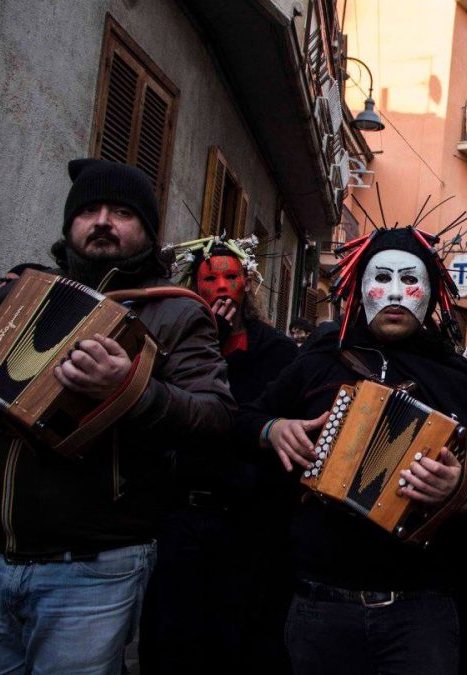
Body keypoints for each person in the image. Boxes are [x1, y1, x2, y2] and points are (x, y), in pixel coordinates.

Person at [0, 158, 234, 673]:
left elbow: (216, 419)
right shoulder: (19, 292)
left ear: (149, 231)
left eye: (121, 212)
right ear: (70, 224)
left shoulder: (176, 311)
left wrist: (130, 389)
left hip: (92, 569)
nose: (103, 222)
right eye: (89, 210)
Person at [236, 225, 467, 675]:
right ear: (360, 288)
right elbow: (239, 422)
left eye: (409, 280)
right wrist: (272, 429)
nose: (395, 293)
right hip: (319, 606)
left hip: (422, 613)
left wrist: (461, 491)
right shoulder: (318, 361)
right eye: (382, 279)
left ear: (432, 294)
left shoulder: (459, 380)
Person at [139, 236, 298, 674]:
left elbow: (249, 419)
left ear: (248, 284)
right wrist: (205, 339)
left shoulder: (276, 351)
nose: (222, 287)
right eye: (211, 279)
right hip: (184, 518)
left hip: (251, 526)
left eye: (232, 277)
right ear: (195, 284)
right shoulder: (172, 344)